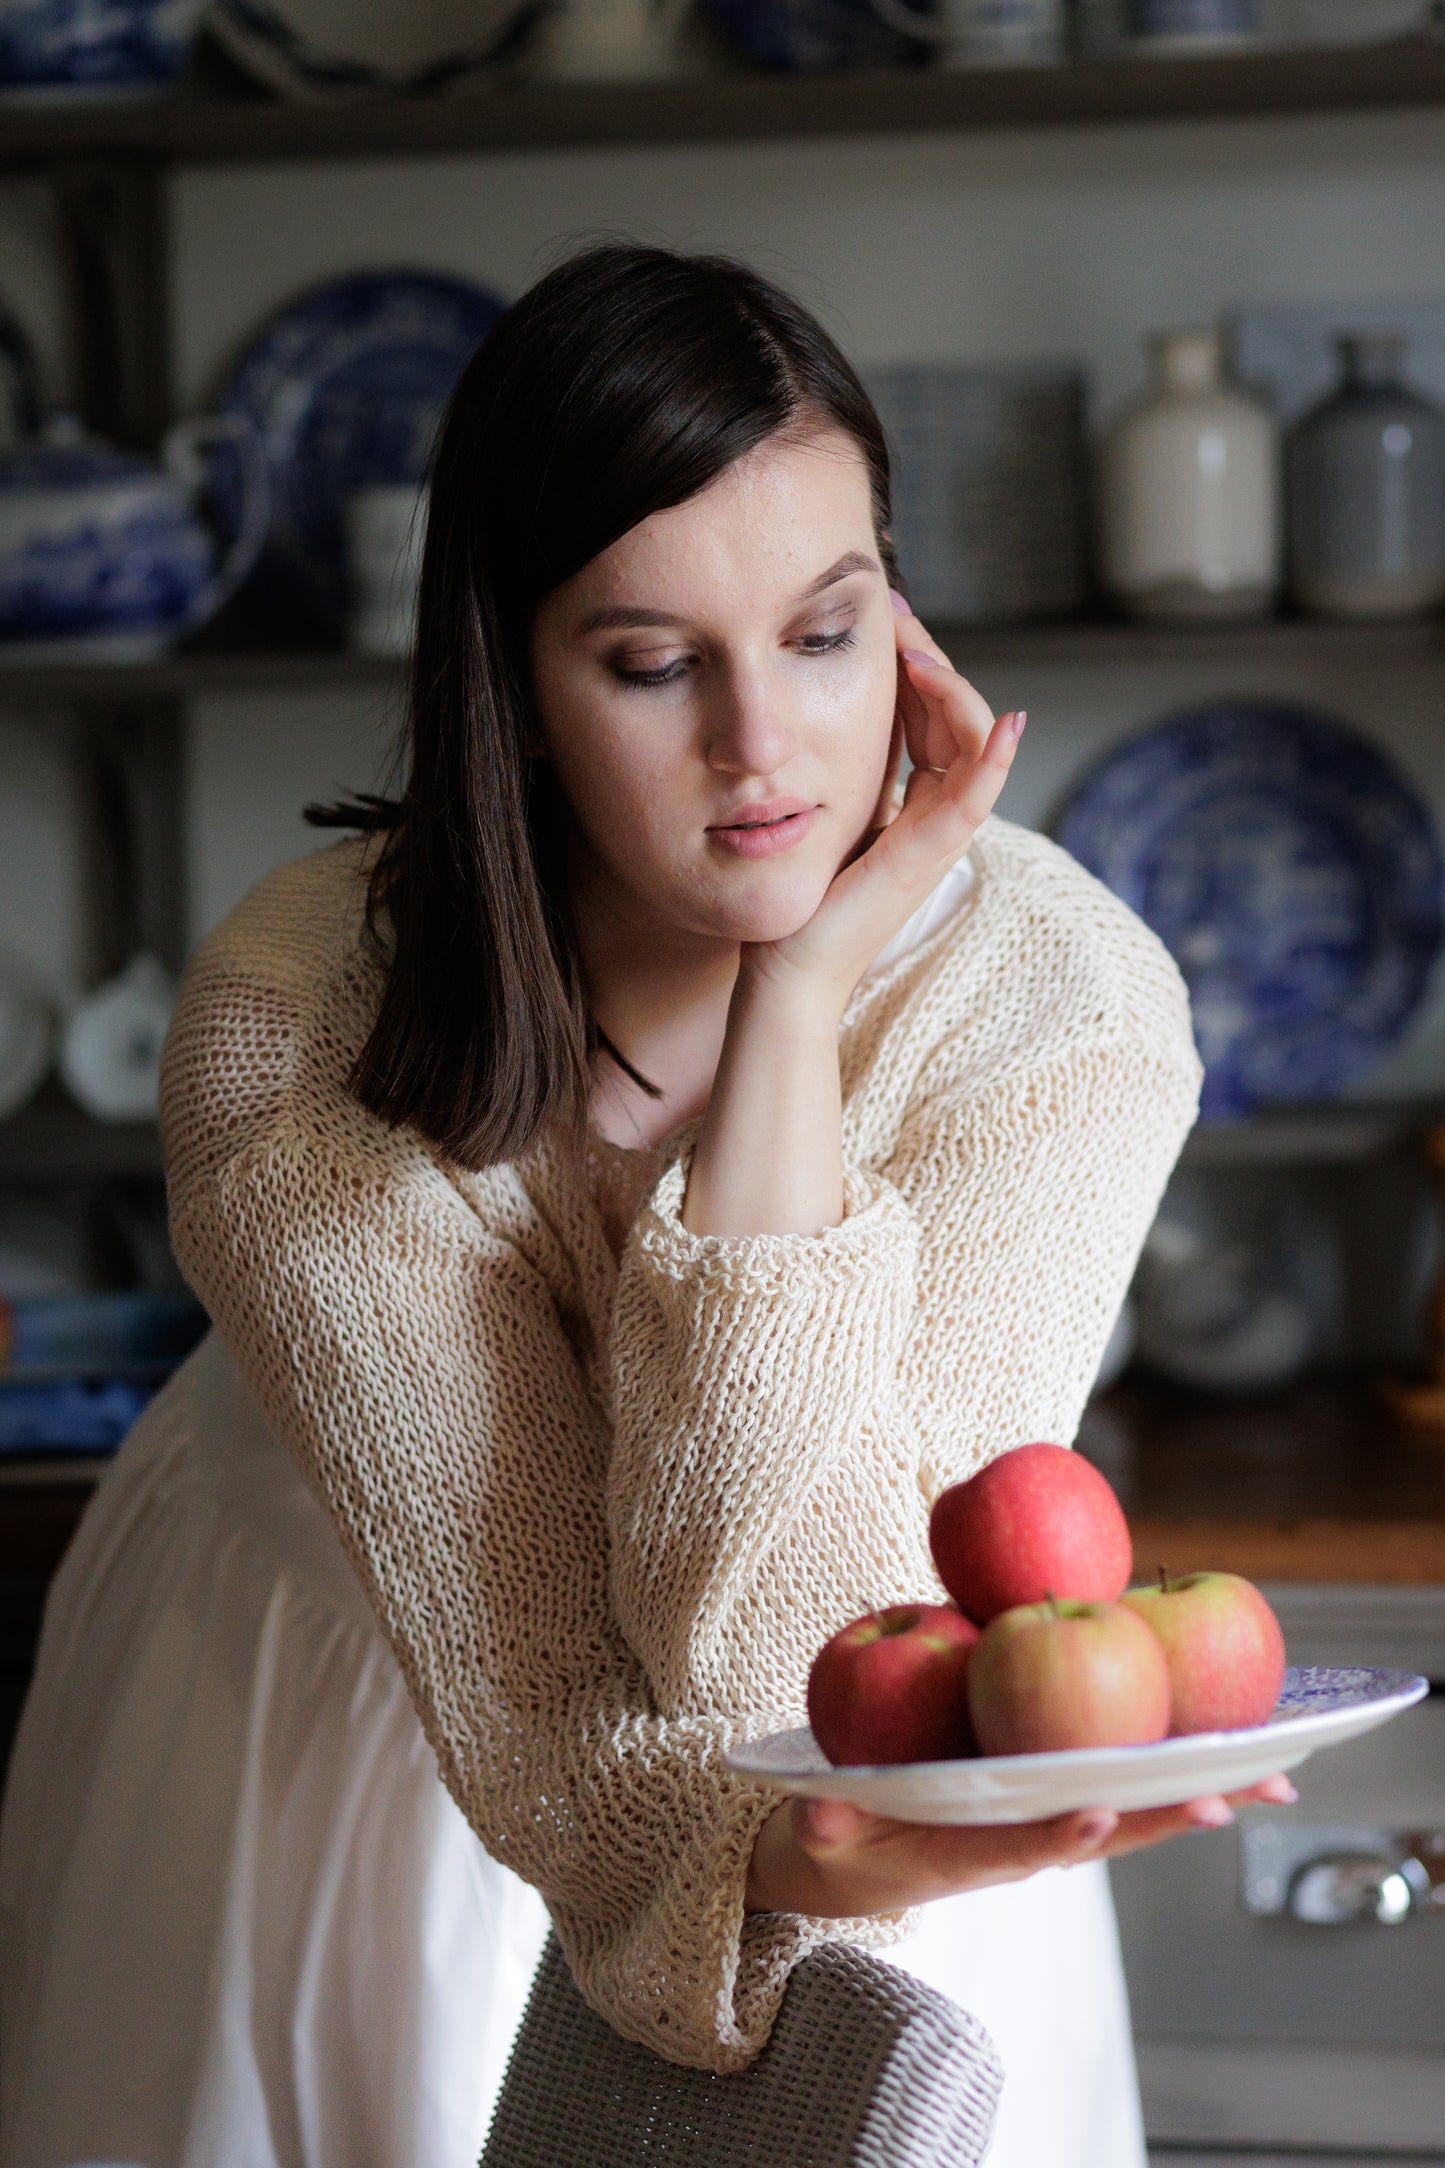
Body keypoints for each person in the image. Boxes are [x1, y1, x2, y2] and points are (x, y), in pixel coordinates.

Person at [0, 244, 1293, 2168]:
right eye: (652, 663)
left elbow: (793, 1653)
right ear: (513, 688)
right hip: (337, 1686)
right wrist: (800, 983)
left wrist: (789, 1011)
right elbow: (539, 1689)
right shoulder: (300, 1018)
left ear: (900, 623)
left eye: (823, 634)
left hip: (862, 1772)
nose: (760, 744)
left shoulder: (1060, 1005)